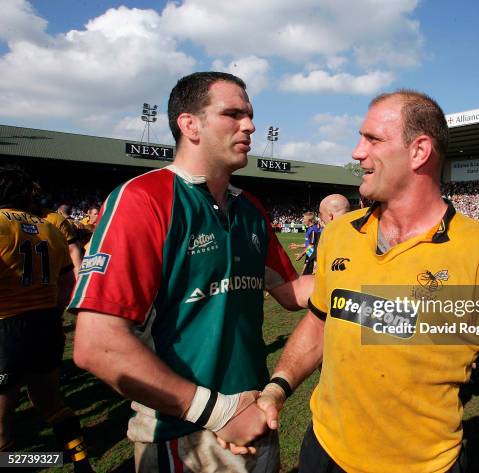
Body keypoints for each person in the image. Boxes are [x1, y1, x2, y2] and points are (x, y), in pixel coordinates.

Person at [257, 90, 479, 473]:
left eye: (373, 139)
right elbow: (319, 322)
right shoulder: (340, 235)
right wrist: (278, 387)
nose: (357, 152)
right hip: (322, 452)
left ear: (419, 151)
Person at [69, 72, 312, 473]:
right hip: (183, 434)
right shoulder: (144, 199)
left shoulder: (249, 207)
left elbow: (290, 291)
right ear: (190, 124)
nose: (249, 125)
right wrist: (219, 412)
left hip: (255, 418)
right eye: (233, 114)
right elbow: (97, 345)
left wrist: (368, 277)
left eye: (250, 115)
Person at [0, 166, 93, 472]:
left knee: (2, 425)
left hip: (6, 329)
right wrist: (50, 315)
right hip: (45, 325)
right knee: (52, 403)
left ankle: (23, 462)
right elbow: (67, 285)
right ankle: (80, 463)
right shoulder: (50, 228)